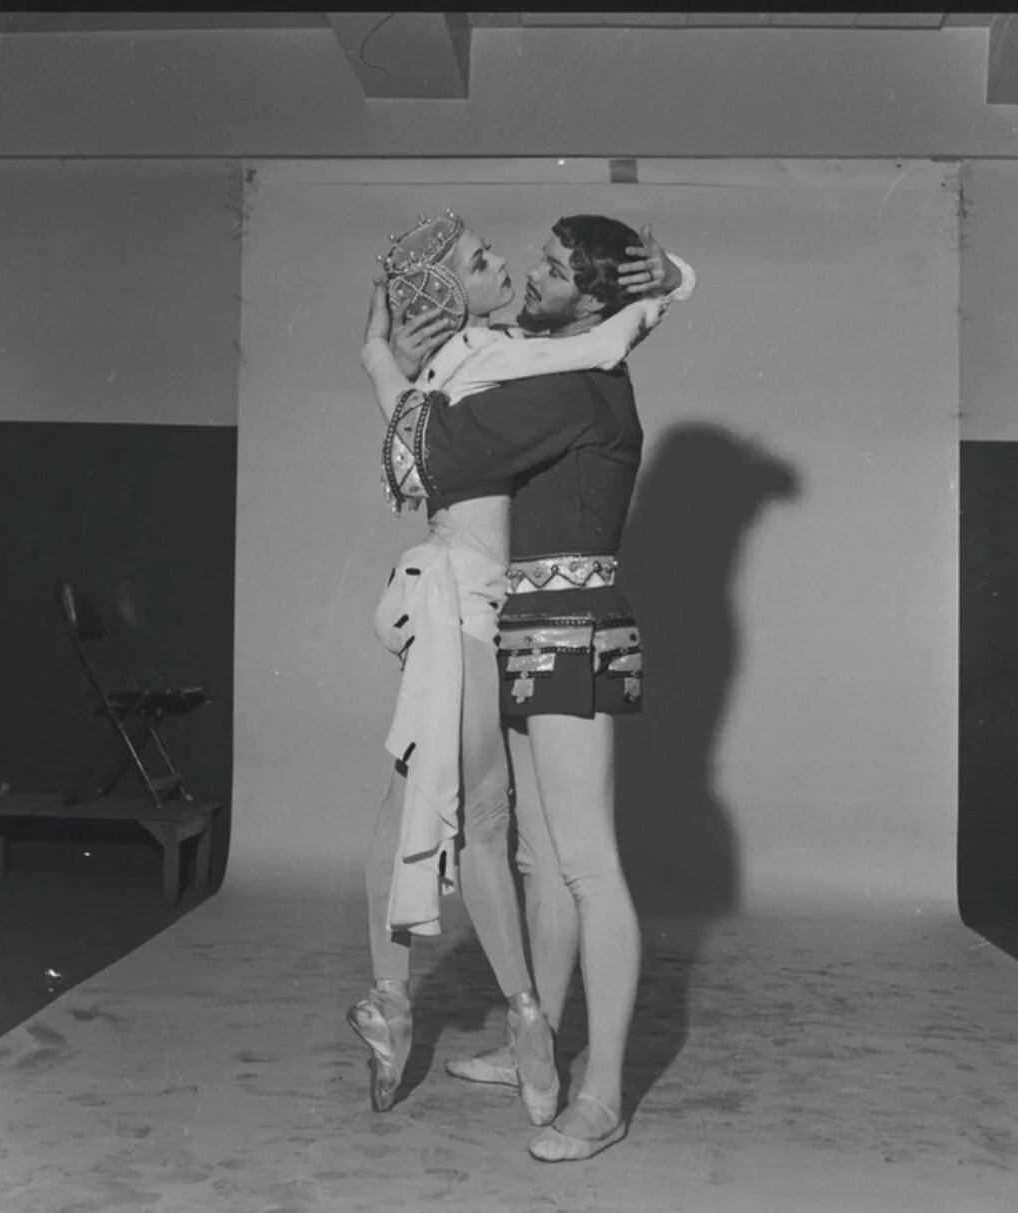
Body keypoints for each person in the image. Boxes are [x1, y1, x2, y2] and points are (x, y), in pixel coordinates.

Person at [350, 209, 693, 1133]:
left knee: (585, 869)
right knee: (541, 860)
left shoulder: (578, 386)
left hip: (569, 635)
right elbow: (613, 322)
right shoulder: (563, 364)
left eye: (548, 267)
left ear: (589, 293)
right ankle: (529, 1042)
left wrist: (382, 361)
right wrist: (671, 283)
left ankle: (602, 1095)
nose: (529, 273)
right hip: (527, 632)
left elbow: (427, 458)